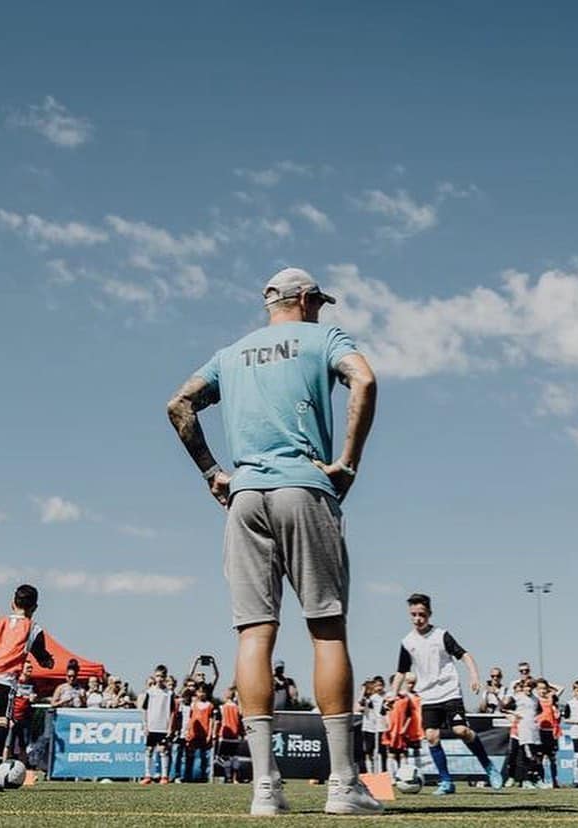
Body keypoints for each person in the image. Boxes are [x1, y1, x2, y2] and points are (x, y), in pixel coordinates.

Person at [167, 266, 379, 816]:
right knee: (327, 629)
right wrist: (348, 465)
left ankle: (265, 788)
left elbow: (178, 404)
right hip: (304, 488)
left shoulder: (231, 353)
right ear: (306, 300)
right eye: (318, 304)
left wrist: (214, 471)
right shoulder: (323, 337)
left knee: (253, 635)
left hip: (245, 497)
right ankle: (342, 785)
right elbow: (365, 380)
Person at [390, 593, 503, 795]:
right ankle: (446, 782)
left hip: (450, 691)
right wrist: (393, 694)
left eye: (421, 614)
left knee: (461, 731)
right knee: (431, 736)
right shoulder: (407, 642)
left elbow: (465, 655)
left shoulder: (442, 635)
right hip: (429, 696)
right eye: (414, 614)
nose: (418, 619)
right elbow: (401, 671)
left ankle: (488, 767)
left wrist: (474, 676)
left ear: (429, 614)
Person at [0, 584, 54, 791]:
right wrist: (48, 662)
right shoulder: (33, 629)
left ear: (13, 603)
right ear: (35, 607)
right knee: (3, 723)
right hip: (4, 678)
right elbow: (43, 659)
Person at [140, 665, 175, 785]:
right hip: (152, 726)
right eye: (157, 676)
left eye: (162, 676)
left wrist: (170, 727)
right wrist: (145, 725)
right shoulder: (150, 692)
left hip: (163, 726)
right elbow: (144, 709)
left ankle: (164, 776)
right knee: (149, 750)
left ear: (165, 677)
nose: (159, 678)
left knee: (163, 750)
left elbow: (172, 712)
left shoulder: (169, 693)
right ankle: (147, 775)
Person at [534, 677, 564, 788]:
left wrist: (548, 683)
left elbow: (561, 688)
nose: (542, 691)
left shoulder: (551, 698)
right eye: (539, 688)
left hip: (551, 732)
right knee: (540, 758)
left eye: (544, 688)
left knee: (552, 758)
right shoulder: (535, 699)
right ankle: (541, 780)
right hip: (539, 731)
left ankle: (555, 781)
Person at [185, 683, 217, 782]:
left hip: (205, 734)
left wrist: (210, 733)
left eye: (203, 692)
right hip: (193, 734)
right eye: (199, 691)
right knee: (190, 756)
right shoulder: (193, 705)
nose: (201, 694)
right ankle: (188, 776)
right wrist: (187, 731)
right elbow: (189, 719)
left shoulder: (210, 705)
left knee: (204, 757)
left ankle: (203, 777)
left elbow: (211, 720)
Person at [8, 661, 37, 765]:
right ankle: (3, 766)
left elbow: (35, 696)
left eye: (31, 668)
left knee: (23, 744)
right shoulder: (15, 681)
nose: (30, 670)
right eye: (28, 668)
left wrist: (34, 698)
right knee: (8, 744)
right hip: (13, 717)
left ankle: (22, 768)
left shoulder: (32, 683)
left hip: (25, 718)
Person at [358, 677, 388, 774]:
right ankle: (370, 772)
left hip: (381, 727)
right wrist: (364, 689)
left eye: (380, 685)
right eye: (376, 686)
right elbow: (360, 702)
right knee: (368, 751)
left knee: (381, 751)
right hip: (369, 727)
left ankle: (382, 771)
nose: (379, 688)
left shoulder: (386, 696)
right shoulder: (369, 698)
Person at [217, 686, 244, 784]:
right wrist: (242, 733)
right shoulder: (237, 708)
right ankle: (235, 778)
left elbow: (218, 722)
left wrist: (216, 734)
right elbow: (240, 722)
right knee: (235, 757)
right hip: (235, 737)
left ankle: (228, 777)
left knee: (225, 758)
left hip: (225, 736)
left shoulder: (222, 708)